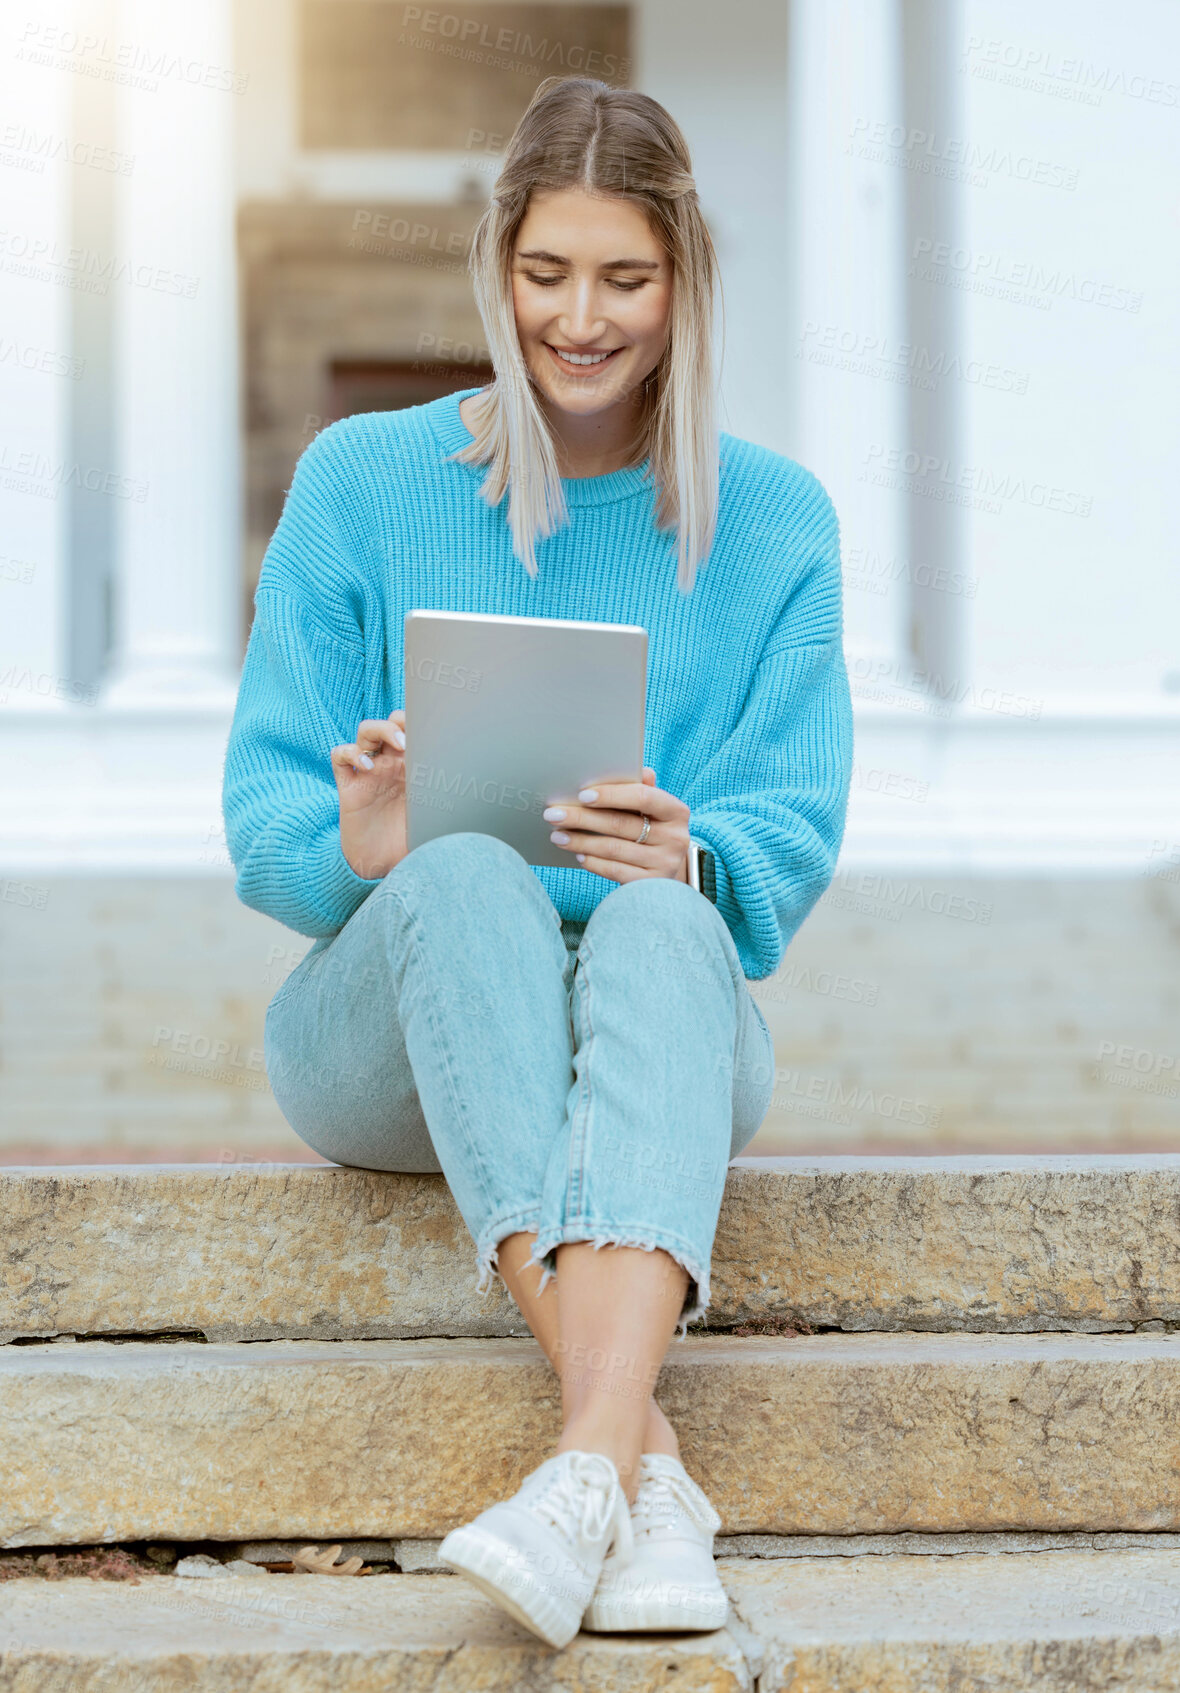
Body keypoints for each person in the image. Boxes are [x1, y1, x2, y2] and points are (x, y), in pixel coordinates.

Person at [222, 74, 852, 1651]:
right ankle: (639, 1456)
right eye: (548, 273)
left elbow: (789, 824)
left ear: (687, 279)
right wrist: (358, 844)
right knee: (462, 874)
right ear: (500, 269)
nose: (583, 319)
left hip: (655, 1023)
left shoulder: (775, 523)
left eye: (626, 279)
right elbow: (267, 809)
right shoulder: (363, 483)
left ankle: (585, 1475)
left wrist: (694, 855)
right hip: (386, 1027)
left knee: (651, 919)